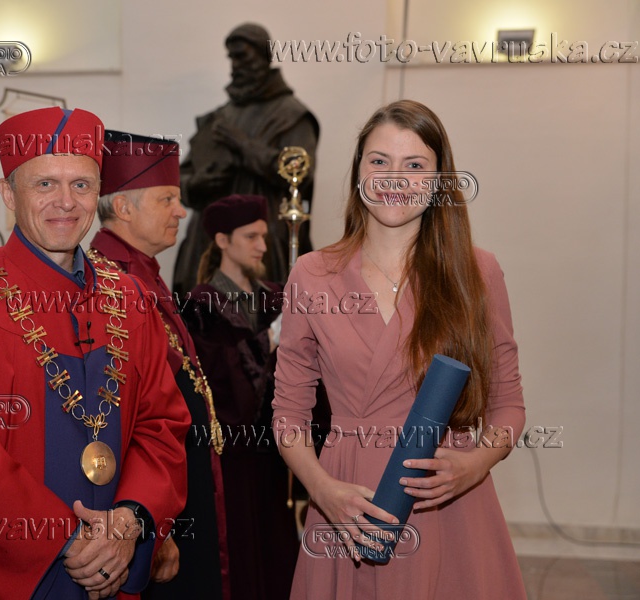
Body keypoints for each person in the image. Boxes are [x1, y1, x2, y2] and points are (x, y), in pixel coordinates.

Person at [0, 108, 191, 600]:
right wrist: (67, 542)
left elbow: (162, 425)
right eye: (45, 184)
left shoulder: (131, 299)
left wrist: (130, 520)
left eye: (81, 185)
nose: (65, 202)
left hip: (112, 571)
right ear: (9, 194)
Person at [271, 99, 527, 599]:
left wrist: (473, 465)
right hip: (346, 501)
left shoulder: (477, 272)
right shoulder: (312, 275)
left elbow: (509, 405)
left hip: (446, 500)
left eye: (414, 165)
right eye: (379, 161)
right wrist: (322, 490)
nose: (394, 178)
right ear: (358, 171)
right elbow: (288, 414)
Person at [87, 130, 229, 600]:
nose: (181, 211)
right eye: (167, 198)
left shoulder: (145, 272)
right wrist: (153, 525)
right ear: (123, 207)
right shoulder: (106, 283)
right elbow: (110, 418)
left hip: (178, 491)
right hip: (155, 511)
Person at [183, 194, 297, 600]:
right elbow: (215, 381)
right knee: (242, 563)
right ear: (222, 240)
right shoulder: (200, 306)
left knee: (279, 564)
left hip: (275, 459)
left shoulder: (276, 298)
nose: (262, 246)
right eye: (251, 237)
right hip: (230, 460)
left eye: (264, 236)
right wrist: (268, 340)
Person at [172, 22, 319, 297]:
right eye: (231, 58)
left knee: (258, 316)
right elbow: (180, 177)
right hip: (208, 242)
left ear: (265, 56)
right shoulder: (220, 117)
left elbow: (300, 173)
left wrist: (243, 145)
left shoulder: (291, 115)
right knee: (199, 318)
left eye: (242, 57)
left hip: (263, 241)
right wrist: (198, 183)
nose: (235, 65)